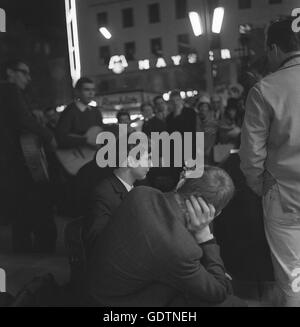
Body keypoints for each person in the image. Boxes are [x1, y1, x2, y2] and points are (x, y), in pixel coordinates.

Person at [87, 166, 246, 307]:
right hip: (118, 302)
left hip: (99, 281)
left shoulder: (141, 193)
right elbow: (220, 291)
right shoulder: (183, 251)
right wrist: (206, 239)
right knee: (234, 304)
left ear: (182, 183)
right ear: (215, 212)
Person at [240, 17, 300, 307]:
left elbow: (251, 155)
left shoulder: (265, 89)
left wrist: (259, 186)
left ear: (275, 49)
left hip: (284, 196)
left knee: (293, 279)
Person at [1, 60, 57, 253]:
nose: (28, 77)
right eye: (24, 72)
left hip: (11, 158)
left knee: (20, 204)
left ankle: (22, 244)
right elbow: (22, 120)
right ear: (10, 71)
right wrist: (48, 135)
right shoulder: (9, 89)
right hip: (16, 157)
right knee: (37, 199)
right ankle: (41, 245)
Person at [83, 136, 150, 253]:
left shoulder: (136, 188)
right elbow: (96, 240)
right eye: (148, 159)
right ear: (131, 161)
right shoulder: (104, 193)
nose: (152, 164)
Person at [55, 77, 103, 149]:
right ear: (77, 92)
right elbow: (60, 137)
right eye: (86, 90)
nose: (91, 93)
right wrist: (84, 140)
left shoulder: (96, 111)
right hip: (76, 155)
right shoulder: (70, 111)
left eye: (93, 90)